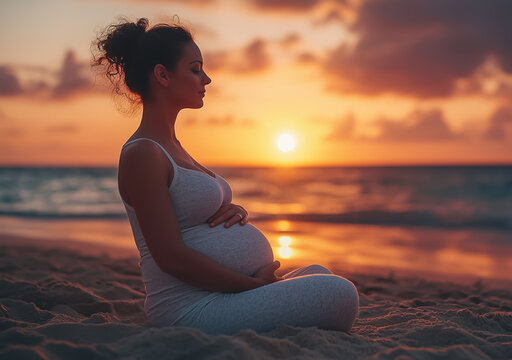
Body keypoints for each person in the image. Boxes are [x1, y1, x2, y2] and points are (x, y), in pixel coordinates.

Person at [91, 17, 359, 335]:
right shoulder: (142, 154)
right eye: (195, 69)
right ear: (162, 74)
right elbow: (170, 257)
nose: (207, 79)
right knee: (340, 293)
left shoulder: (172, 146)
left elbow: (187, 217)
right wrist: (249, 285)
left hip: (222, 294)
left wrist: (233, 213)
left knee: (319, 272)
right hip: (191, 308)